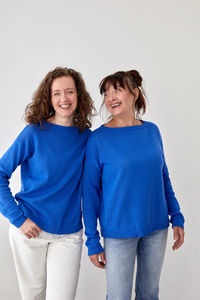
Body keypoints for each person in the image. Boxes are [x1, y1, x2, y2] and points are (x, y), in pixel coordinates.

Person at [83, 70, 185, 300]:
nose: (110, 98)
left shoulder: (152, 131)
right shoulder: (97, 139)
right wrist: (92, 240)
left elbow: (163, 177)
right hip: (118, 232)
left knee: (149, 294)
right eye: (106, 93)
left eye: (117, 90)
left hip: (157, 227)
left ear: (135, 94)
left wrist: (176, 215)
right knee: (118, 296)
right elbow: (89, 193)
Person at [0, 67, 94, 300]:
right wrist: (18, 219)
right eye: (57, 93)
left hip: (68, 233)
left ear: (78, 96)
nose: (64, 99)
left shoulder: (87, 137)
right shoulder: (33, 133)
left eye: (70, 92)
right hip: (30, 231)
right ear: (49, 98)